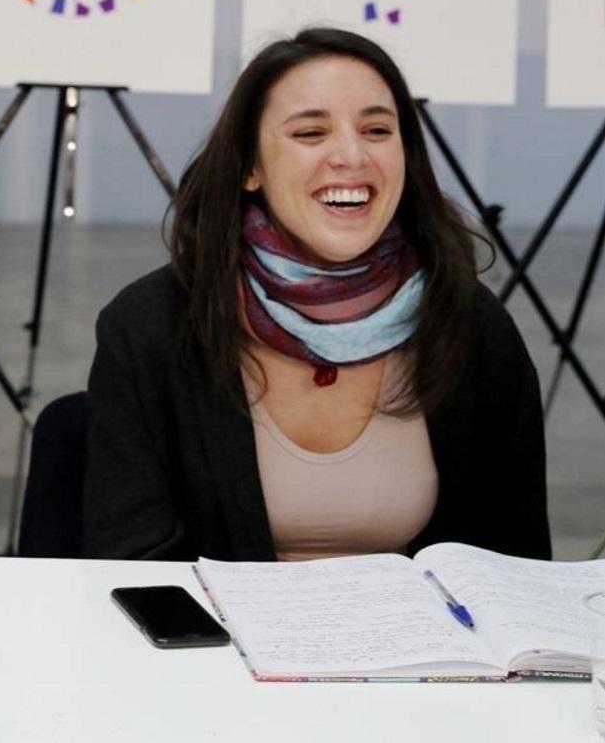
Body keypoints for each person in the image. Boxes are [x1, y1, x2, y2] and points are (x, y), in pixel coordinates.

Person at [84, 28, 550, 562]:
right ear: (250, 167)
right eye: (310, 133)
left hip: (420, 645)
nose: (351, 156)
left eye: (377, 129)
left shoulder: (469, 323)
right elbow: (130, 567)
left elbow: (516, 567)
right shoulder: (149, 327)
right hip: (218, 645)